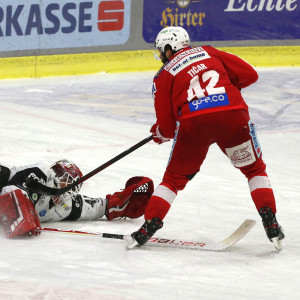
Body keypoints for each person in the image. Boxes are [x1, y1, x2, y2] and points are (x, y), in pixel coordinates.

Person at [129, 26, 284, 250]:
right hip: (232, 114)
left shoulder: (163, 75)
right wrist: (224, 91)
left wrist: (159, 133)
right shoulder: (209, 52)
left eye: (162, 51)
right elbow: (251, 75)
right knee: (254, 169)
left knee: (173, 180)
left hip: (195, 124)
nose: (161, 56)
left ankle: (149, 225)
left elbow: (167, 128)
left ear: (170, 49)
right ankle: (270, 219)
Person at [0, 159, 153, 238]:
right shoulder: (43, 171)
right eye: (58, 169)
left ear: (74, 187)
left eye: (63, 174)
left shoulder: (66, 205)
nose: (57, 173)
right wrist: (25, 215)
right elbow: (12, 190)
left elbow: (98, 207)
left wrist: (118, 204)